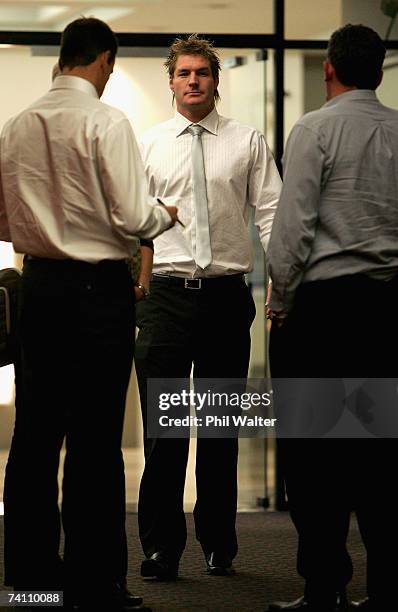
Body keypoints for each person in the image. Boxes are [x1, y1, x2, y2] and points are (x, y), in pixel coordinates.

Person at [0, 16, 177, 612]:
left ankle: (29, 578)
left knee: (34, 435)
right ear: (105, 60)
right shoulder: (107, 120)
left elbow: (2, 220)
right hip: (99, 291)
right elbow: (133, 217)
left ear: (61, 56)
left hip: (39, 288)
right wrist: (165, 215)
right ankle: (93, 584)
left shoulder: (17, 125)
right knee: (97, 440)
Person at [134, 34, 281, 581]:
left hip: (225, 299)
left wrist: (281, 286)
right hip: (166, 300)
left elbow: (271, 215)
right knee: (164, 434)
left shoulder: (246, 141)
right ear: (170, 81)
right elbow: (132, 228)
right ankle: (160, 550)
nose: (193, 81)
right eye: (183, 73)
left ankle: (220, 543)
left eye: (202, 73)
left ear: (216, 81)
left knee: (219, 431)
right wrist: (137, 289)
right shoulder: (148, 145)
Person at [267, 24, 398, 612]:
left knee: (314, 458)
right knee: (382, 456)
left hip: (323, 313)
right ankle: (387, 587)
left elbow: (292, 229)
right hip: (388, 310)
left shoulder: (314, 128)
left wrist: (281, 300)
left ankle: (325, 588)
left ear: (329, 68)